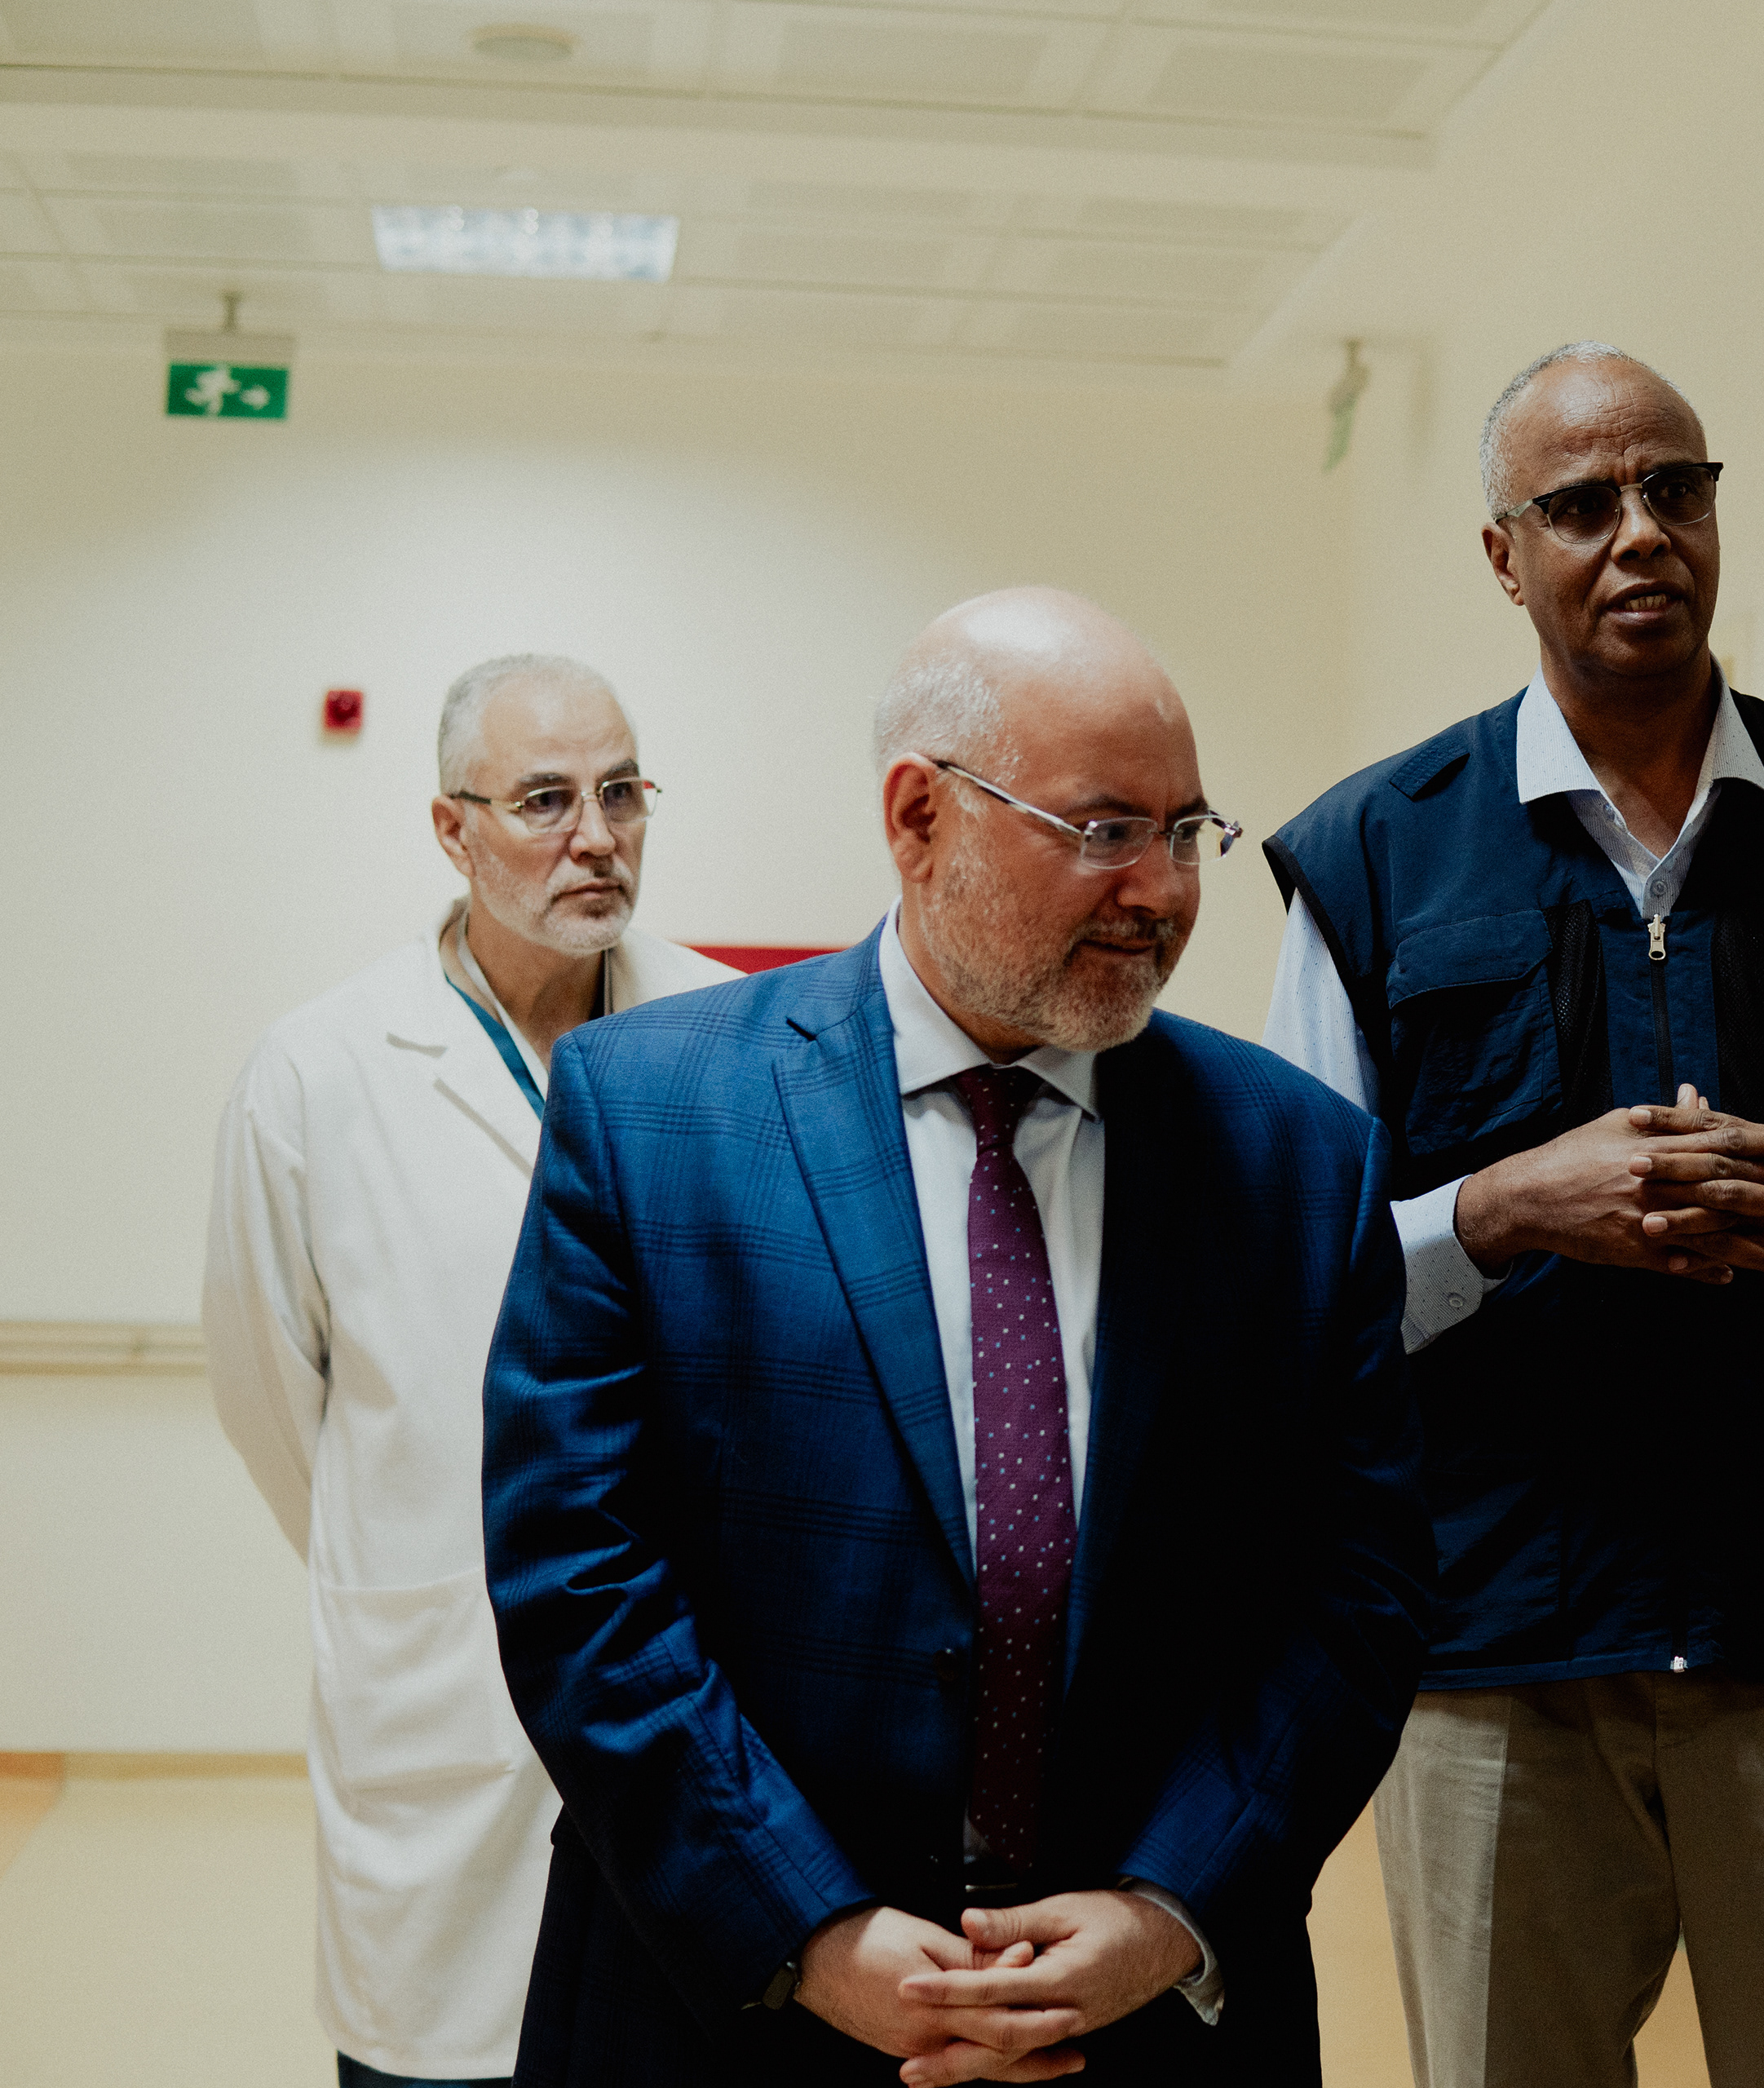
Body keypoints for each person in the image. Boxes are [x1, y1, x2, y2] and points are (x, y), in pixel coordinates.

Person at [480, 588, 1427, 2086]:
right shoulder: (652, 1114)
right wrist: (808, 1927)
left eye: (1186, 832)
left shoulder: (1299, 1164)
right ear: (920, 817)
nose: (1162, 890)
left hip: (1150, 2024)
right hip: (732, 2008)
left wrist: (1170, 1908)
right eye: (1104, 830)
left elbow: (1356, 1590)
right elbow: (577, 1574)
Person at [1261, 341, 1764, 2088]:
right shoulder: (1372, 856)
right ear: (1503, 555)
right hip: (1492, 1652)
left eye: (1674, 489)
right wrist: (1497, 1212)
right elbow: (1286, 1284)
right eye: (1580, 504)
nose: (1638, 533)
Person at [203, 653, 735, 2088]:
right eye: (546, 801)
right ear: (452, 829)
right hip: (441, 1705)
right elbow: (271, 1402)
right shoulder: (318, 1074)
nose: (597, 837)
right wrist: (411, 1566)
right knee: (443, 2057)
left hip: (695, 1696)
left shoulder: (731, 1039)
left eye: (622, 793)